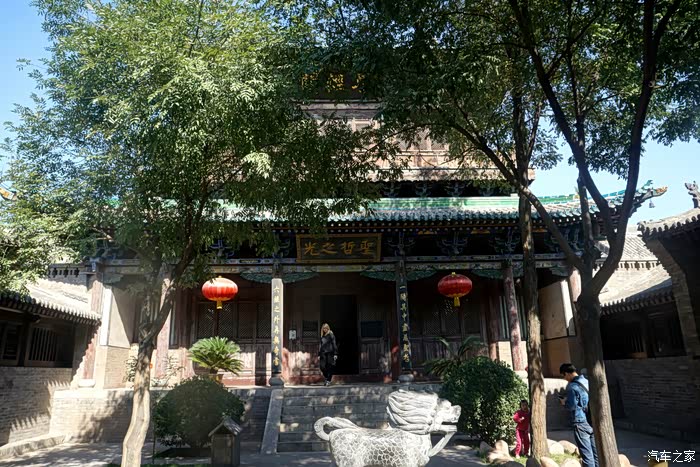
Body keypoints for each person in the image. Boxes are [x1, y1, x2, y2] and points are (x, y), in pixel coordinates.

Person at [559, 363, 599, 467]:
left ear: (567, 373)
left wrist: (564, 403)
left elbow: (572, 406)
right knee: (596, 454)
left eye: (564, 376)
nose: (564, 379)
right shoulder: (586, 381)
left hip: (580, 421)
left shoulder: (572, 386)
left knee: (587, 456)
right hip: (592, 420)